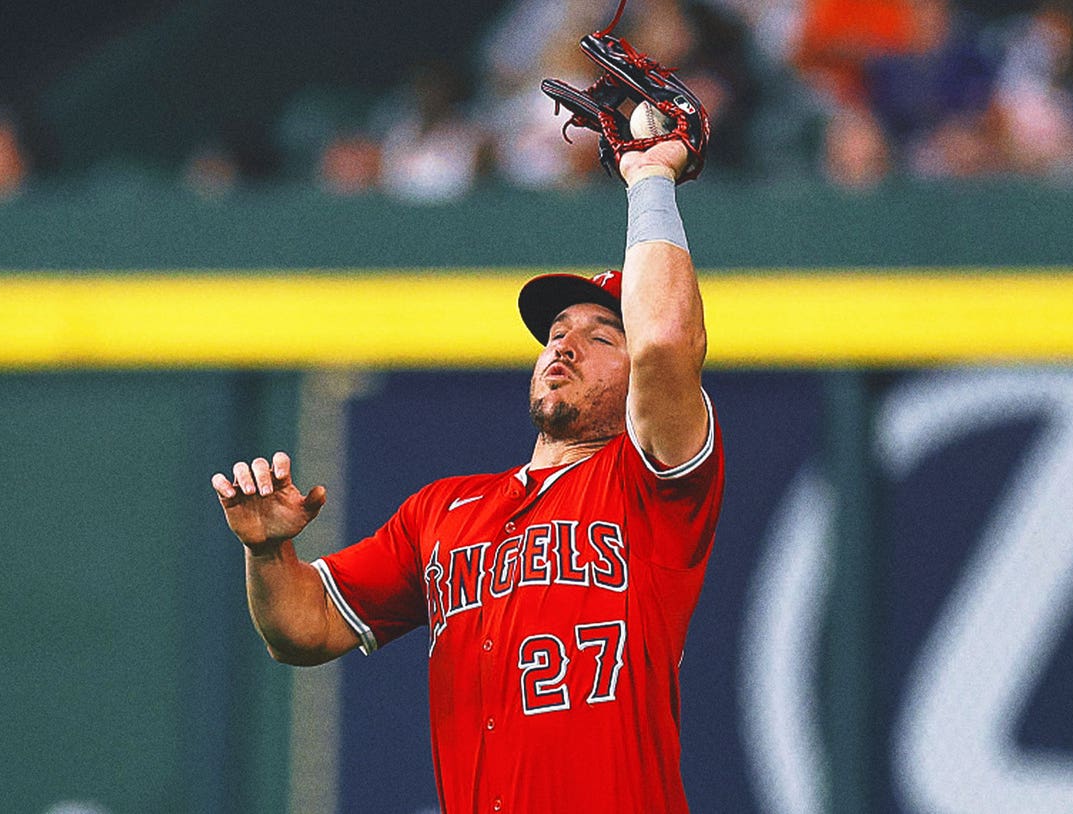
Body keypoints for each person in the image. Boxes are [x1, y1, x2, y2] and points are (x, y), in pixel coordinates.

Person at [211, 136, 724, 812]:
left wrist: (651, 177)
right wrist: (268, 552)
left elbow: (663, 343)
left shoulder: (653, 482)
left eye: (601, 336)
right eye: (555, 333)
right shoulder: (444, 510)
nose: (564, 345)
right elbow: (304, 630)